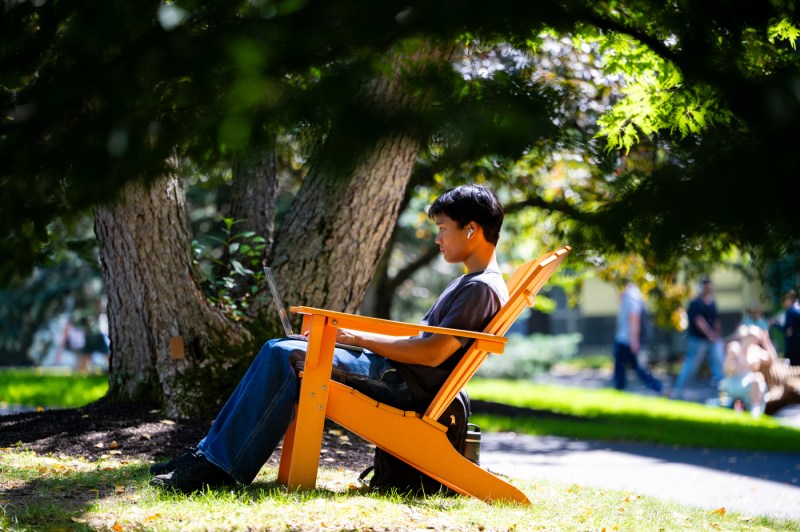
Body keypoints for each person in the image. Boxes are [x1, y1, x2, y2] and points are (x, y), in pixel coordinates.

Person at [149, 184, 509, 493]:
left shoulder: (479, 288)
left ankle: (221, 468)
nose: (438, 238)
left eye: (443, 228)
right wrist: (349, 336)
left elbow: (432, 353)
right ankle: (208, 455)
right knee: (280, 347)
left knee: (286, 355)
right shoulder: (471, 282)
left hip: (407, 384)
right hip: (400, 374)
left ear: (471, 230)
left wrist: (355, 337)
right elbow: (424, 342)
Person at [671, 278, 724, 399]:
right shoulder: (695, 303)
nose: (709, 289)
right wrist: (710, 334)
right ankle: (678, 393)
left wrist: (717, 335)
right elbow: (699, 321)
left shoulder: (712, 303)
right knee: (691, 365)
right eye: (706, 287)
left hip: (712, 340)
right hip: (698, 340)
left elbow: (716, 321)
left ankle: (724, 393)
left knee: (718, 365)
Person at [612, 280, 663, 393]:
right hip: (626, 339)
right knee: (636, 368)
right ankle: (658, 388)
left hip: (626, 340)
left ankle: (620, 389)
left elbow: (634, 317)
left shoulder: (632, 295)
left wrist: (634, 340)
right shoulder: (630, 294)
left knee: (627, 368)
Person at [719, 324, 772, 417]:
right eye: (754, 337)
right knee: (757, 379)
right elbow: (725, 370)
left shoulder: (755, 350)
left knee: (758, 378)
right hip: (734, 382)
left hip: (749, 383)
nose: (756, 340)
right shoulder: (735, 348)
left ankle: (755, 410)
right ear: (747, 336)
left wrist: (767, 342)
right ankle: (754, 410)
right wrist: (742, 366)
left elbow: (771, 360)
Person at [780, 291, 800, 366]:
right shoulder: (797, 308)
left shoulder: (791, 311)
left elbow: (786, 329)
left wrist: (776, 324)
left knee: (793, 369)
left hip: (794, 346)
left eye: (784, 300)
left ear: (789, 300)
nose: (783, 303)